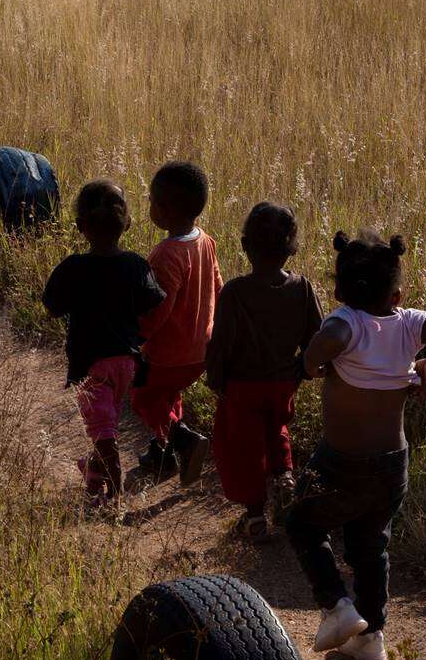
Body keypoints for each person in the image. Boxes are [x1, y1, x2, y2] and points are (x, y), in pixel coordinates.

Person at [287, 231, 426, 660]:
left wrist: (311, 362)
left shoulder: (344, 323)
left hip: (340, 463)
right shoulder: (411, 322)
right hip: (393, 465)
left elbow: (321, 346)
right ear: (398, 292)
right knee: (370, 547)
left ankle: (336, 606)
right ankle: (371, 638)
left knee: (302, 523)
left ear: (338, 291)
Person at [42, 181, 166, 504]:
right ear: (128, 223)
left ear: (81, 227)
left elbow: (52, 306)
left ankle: (115, 494)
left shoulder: (74, 268)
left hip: (91, 366)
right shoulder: (137, 265)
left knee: (103, 433)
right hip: (127, 363)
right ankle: (95, 477)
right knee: (104, 426)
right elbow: (152, 300)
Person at [206, 203, 322, 541]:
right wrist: (302, 370)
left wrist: (216, 379)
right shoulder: (302, 287)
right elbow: (318, 337)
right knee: (276, 429)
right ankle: (285, 478)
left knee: (243, 448)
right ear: (292, 248)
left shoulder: (235, 292)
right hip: (283, 383)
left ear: (245, 246)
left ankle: (255, 517)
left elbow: (221, 345)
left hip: (242, 387)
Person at [135, 161, 222, 484]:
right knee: (169, 395)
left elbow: (157, 309)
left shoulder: (165, 255)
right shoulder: (206, 242)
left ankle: (183, 440)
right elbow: (219, 288)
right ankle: (163, 455)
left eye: (151, 201)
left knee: (144, 395)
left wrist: (137, 339)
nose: (149, 206)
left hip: (167, 353)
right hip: (199, 352)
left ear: (164, 209)